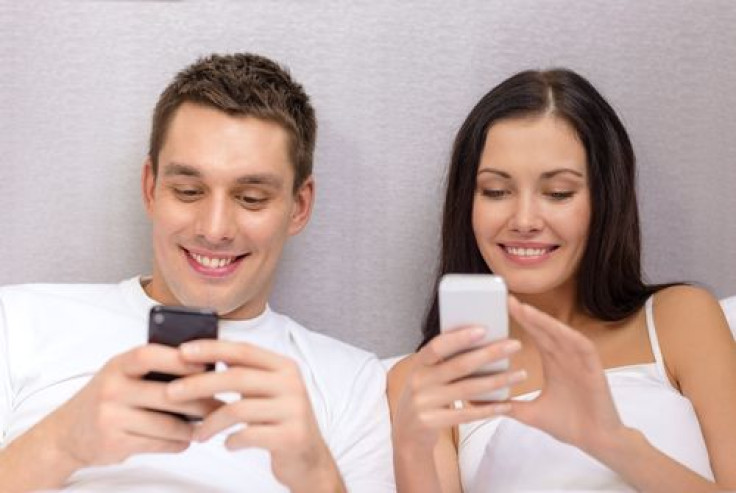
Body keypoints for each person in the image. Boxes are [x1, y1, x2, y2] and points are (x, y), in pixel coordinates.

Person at [0, 53, 394, 492]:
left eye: (251, 198)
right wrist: (59, 443)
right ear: (151, 189)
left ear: (299, 206)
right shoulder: (16, 322)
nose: (214, 230)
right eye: (189, 191)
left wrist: (316, 475)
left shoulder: (353, 382)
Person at [388, 69, 736, 492]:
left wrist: (611, 441)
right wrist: (410, 448)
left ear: (605, 200)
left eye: (558, 193)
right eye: (496, 191)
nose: (524, 221)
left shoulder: (680, 319)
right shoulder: (426, 379)